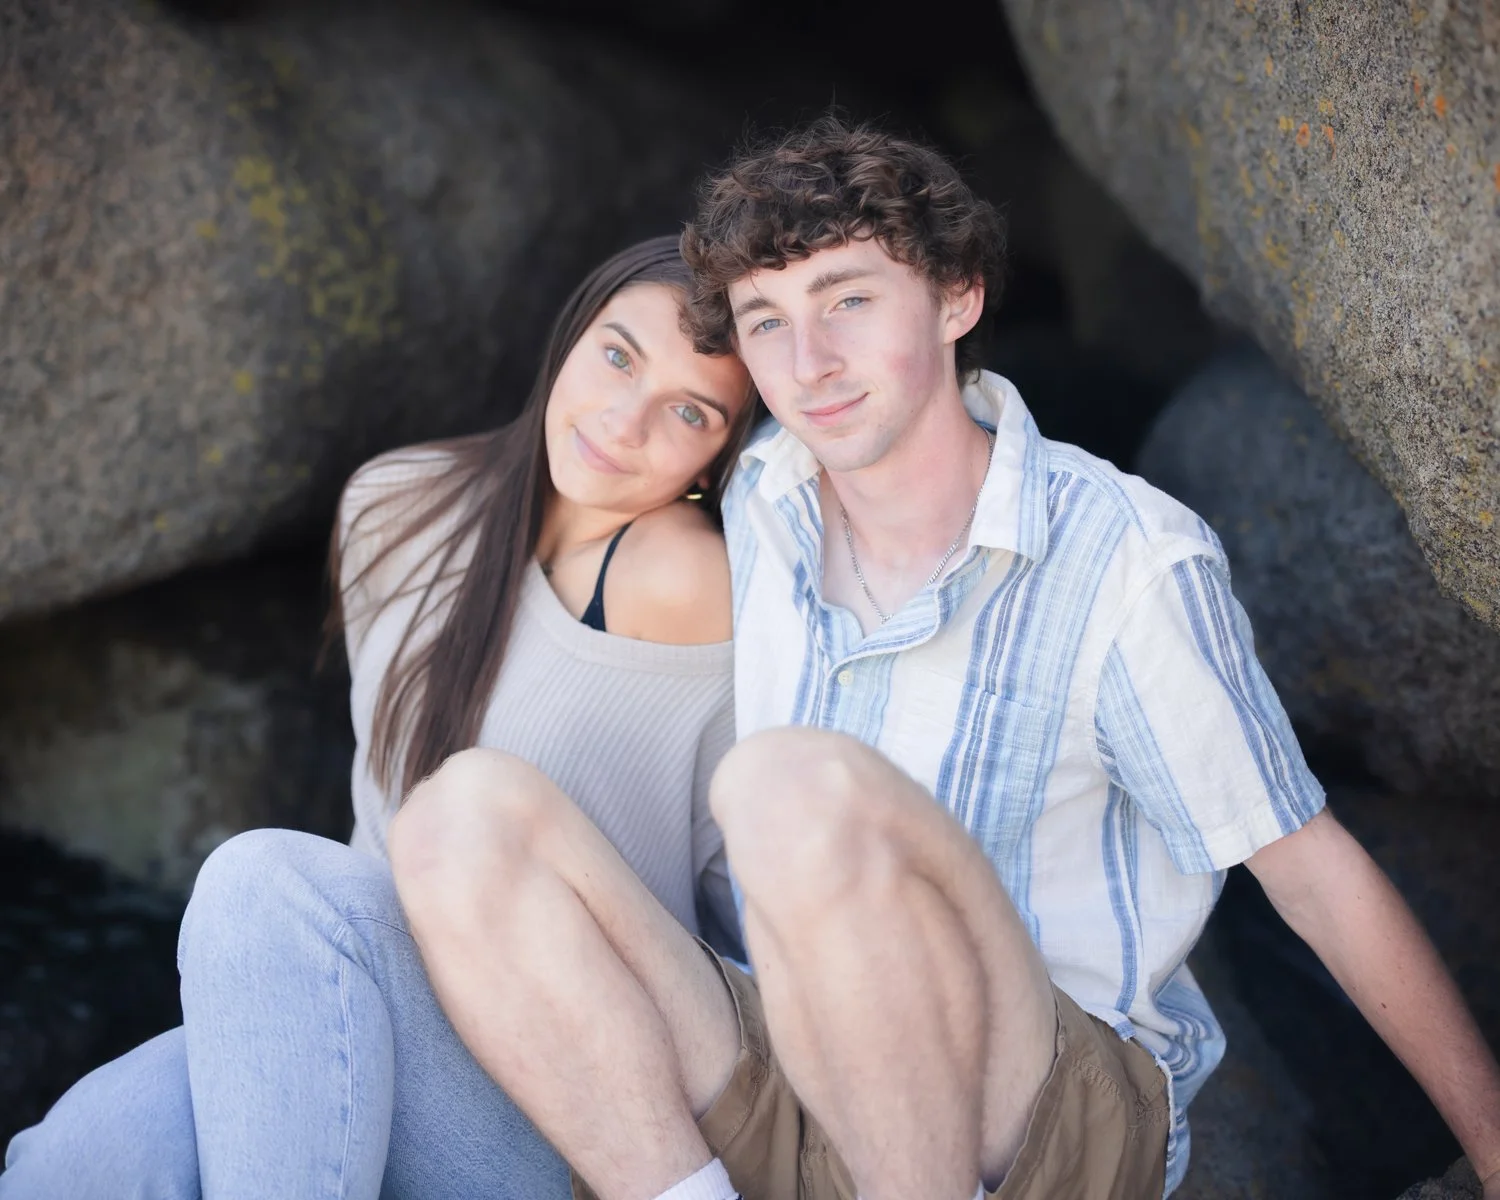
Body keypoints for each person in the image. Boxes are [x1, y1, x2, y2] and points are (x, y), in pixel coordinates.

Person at [390, 117, 1500, 1200]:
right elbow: (621, 445)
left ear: (957, 298)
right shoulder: (765, 492)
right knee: (458, 816)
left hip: (1043, 1109)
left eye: (851, 302)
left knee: (780, 786)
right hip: (798, 1070)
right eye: (765, 321)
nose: (809, 362)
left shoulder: (1122, 559)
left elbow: (1312, 872)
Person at [0, 236, 759, 1199]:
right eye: (618, 355)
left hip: (571, 1098)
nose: (624, 419)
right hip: (366, 1004)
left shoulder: (687, 582)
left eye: (689, 411)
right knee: (78, 1154)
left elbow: (744, 905)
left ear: (719, 453)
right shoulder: (395, 507)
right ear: (571, 335)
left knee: (265, 879)